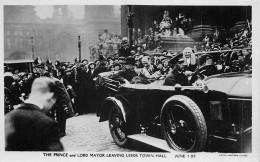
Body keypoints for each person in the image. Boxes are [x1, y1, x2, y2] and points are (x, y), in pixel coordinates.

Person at [5, 77, 64, 151]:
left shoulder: (7, 118)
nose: (51, 106)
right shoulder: (48, 124)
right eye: (53, 102)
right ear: (50, 96)